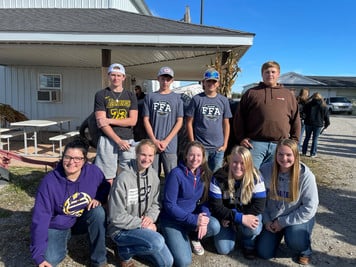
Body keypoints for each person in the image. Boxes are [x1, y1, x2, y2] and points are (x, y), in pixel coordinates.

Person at [30, 138, 110, 267]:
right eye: (67, 157)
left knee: (98, 213)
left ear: (84, 161)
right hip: (58, 223)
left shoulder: (93, 172)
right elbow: (40, 218)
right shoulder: (49, 182)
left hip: (83, 218)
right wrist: (38, 255)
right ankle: (62, 241)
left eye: (77, 158)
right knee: (50, 259)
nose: (72, 162)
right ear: (62, 158)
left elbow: (104, 186)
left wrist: (99, 198)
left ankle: (99, 261)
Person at [107, 139, 173, 267]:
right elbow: (116, 217)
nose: (146, 159)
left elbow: (156, 203)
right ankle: (124, 252)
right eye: (143, 154)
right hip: (121, 230)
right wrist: (142, 225)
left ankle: (134, 246)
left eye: (150, 155)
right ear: (136, 154)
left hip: (143, 225)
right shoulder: (123, 179)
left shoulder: (154, 176)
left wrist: (150, 218)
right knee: (157, 242)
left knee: (166, 263)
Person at [256, 139, 319, 265]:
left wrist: (283, 222)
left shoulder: (306, 176)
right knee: (263, 253)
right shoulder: (265, 170)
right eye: (280, 154)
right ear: (276, 154)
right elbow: (259, 199)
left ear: (295, 155)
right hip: (273, 217)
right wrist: (266, 219)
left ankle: (305, 250)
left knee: (296, 240)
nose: (284, 158)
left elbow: (310, 207)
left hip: (295, 218)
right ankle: (277, 237)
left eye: (289, 155)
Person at [160, 141, 220, 267]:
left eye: (198, 155)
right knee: (183, 262)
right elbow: (169, 205)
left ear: (203, 157)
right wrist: (194, 220)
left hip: (191, 220)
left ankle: (193, 237)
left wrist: (204, 218)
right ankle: (168, 236)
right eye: (191, 155)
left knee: (214, 225)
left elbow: (205, 201)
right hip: (172, 220)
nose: (195, 159)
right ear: (186, 156)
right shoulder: (176, 174)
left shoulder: (204, 174)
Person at [233, 61, 301, 168]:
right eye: (267, 72)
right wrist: (241, 138)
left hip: (280, 145)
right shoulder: (251, 93)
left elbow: (296, 119)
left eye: (273, 72)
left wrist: (295, 140)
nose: (270, 75)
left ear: (278, 74)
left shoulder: (288, 95)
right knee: (252, 176)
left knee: (274, 178)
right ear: (262, 74)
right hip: (255, 144)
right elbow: (239, 117)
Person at [209, 146, 266, 259]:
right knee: (224, 249)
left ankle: (248, 243)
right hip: (226, 217)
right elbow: (216, 206)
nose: (238, 166)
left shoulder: (256, 176)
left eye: (242, 163)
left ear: (248, 163)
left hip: (240, 215)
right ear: (229, 161)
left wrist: (237, 217)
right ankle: (234, 231)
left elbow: (259, 206)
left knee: (254, 227)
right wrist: (237, 218)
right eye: (235, 162)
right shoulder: (218, 177)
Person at [94, 63, 138, 185]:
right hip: (107, 139)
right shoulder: (101, 95)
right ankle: (108, 201)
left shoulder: (131, 95)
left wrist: (110, 120)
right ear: (108, 76)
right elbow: (101, 122)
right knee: (107, 175)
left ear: (124, 77)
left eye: (119, 75)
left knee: (128, 173)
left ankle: (124, 200)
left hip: (128, 139)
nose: (116, 78)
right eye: (113, 75)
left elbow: (132, 120)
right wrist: (118, 141)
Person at [186, 68, 232, 172]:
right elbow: (189, 122)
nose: (211, 83)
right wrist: (193, 142)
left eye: (214, 81)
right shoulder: (196, 99)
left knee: (216, 176)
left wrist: (225, 144)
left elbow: (226, 124)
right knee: (200, 174)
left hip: (218, 148)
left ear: (218, 84)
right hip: (201, 147)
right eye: (208, 81)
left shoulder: (223, 100)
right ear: (203, 82)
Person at [143, 66, 184, 177]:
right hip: (152, 144)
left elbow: (179, 121)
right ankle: (153, 195)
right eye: (163, 78)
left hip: (170, 145)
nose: (165, 82)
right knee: (151, 176)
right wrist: (154, 140)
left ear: (172, 80)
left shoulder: (177, 98)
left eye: (168, 79)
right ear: (158, 79)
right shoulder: (150, 97)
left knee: (171, 176)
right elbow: (146, 119)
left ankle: (168, 195)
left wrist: (166, 141)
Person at [302, 92, 330, 157]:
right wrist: (326, 125)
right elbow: (326, 117)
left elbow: (303, 113)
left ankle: (304, 152)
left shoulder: (308, 104)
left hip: (308, 123)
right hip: (318, 124)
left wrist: (304, 118)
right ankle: (313, 153)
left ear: (313, 97)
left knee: (307, 138)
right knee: (315, 139)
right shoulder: (323, 106)